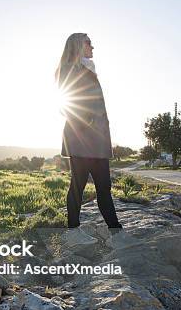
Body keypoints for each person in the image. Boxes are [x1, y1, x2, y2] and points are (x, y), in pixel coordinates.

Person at [55, 32, 137, 249]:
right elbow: (65, 104)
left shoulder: (89, 70)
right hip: (81, 139)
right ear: (78, 46)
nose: (93, 46)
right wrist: (87, 123)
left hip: (97, 141)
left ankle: (116, 232)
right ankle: (73, 232)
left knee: (104, 187)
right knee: (78, 186)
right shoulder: (68, 70)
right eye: (89, 43)